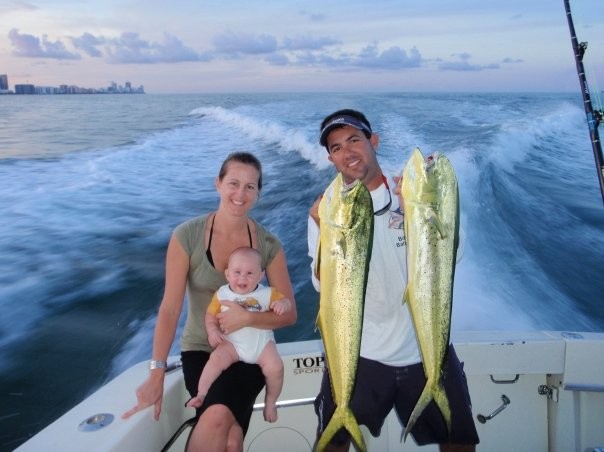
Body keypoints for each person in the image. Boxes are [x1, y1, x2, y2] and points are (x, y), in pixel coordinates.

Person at [308, 109, 479, 452]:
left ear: (373, 141)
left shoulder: (412, 195)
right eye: (337, 147)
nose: (347, 152)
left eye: (354, 140)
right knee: (330, 445)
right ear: (331, 158)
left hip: (424, 347)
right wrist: (329, 234)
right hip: (359, 354)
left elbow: (453, 258)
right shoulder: (326, 211)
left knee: (459, 442)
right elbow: (320, 286)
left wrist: (420, 211)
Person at [123, 152, 297, 452]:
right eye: (233, 183)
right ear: (217, 184)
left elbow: (290, 313)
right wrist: (156, 374)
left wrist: (249, 318)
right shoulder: (186, 236)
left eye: (250, 187)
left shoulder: (269, 245)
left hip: (250, 356)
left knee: (216, 417)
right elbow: (169, 308)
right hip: (200, 352)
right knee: (230, 438)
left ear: (258, 193)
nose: (240, 194)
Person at [185, 246, 291, 424]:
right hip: (232, 344)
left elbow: (285, 301)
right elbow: (210, 315)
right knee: (216, 359)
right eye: (237, 272)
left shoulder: (267, 293)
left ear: (260, 275)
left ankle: (271, 401)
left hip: (262, 345)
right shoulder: (222, 294)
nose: (242, 277)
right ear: (227, 274)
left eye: (250, 273)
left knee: (276, 368)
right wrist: (212, 330)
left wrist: (283, 305)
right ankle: (201, 394)